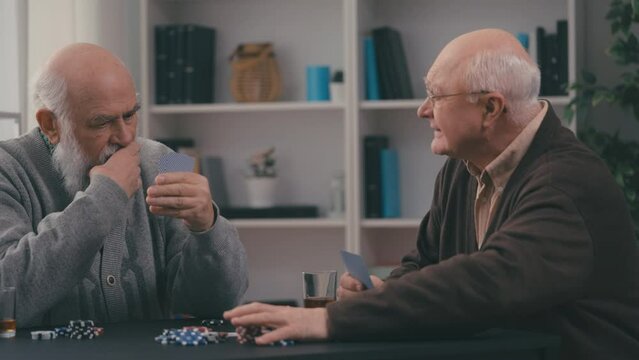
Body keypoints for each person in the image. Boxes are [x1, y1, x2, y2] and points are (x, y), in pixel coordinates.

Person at [224, 29, 639, 359]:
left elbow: (488, 281)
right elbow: (425, 261)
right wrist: (385, 292)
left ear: (490, 109)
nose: (423, 110)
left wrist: (332, 321)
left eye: (436, 96)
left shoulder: (566, 183)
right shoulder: (462, 167)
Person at [0, 43, 248, 327]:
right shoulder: (6, 168)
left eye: (130, 115)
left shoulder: (167, 159)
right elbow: (7, 298)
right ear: (50, 124)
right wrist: (105, 197)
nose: (127, 137)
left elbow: (217, 304)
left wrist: (207, 227)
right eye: (102, 122)